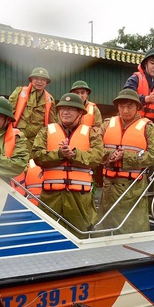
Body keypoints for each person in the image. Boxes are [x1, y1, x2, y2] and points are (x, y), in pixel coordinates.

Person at [31, 93, 103, 237]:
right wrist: (59, 154)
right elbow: (37, 156)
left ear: (80, 113)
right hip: (51, 197)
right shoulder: (46, 131)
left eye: (71, 109)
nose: (65, 112)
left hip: (79, 199)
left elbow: (97, 157)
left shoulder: (92, 133)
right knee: (47, 235)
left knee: (79, 234)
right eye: (62, 108)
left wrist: (74, 155)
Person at [98, 88, 154, 234]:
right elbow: (95, 149)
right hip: (108, 187)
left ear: (138, 107)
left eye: (129, 106)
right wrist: (110, 154)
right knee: (104, 228)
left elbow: (153, 156)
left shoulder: (148, 127)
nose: (125, 110)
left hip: (133, 188)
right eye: (121, 106)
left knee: (131, 229)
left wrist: (125, 156)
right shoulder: (107, 124)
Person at [8, 67, 57, 152]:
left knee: (34, 163)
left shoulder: (50, 99)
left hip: (37, 139)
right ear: (31, 80)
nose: (39, 82)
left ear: (46, 82)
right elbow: (8, 111)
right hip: (18, 135)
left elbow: (52, 122)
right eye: (36, 78)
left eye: (42, 79)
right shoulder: (19, 92)